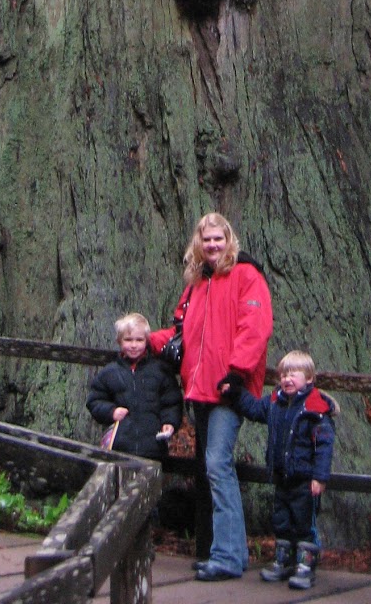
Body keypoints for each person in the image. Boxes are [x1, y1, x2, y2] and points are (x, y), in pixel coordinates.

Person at [151, 212, 272, 581]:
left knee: (218, 466)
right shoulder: (196, 284)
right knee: (213, 468)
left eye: (219, 239)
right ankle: (232, 552)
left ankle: (227, 556)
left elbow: (255, 327)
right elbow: (180, 331)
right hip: (200, 389)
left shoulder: (246, 276)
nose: (213, 245)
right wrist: (141, 340)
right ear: (198, 244)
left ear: (229, 239)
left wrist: (236, 373)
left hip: (227, 390)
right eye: (207, 240)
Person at [223, 349, 336, 591]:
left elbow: (324, 447)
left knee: (304, 522)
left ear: (309, 379)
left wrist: (320, 477)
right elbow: (254, 409)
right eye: (284, 374)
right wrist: (235, 392)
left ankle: (305, 565)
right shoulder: (276, 402)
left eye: (294, 374)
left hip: (305, 478)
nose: (287, 379)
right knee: (282, 520)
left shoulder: (315, 410)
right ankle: (283, 559)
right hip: (281, 476)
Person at [86, 311, 183, 461]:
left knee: (150, 481)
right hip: (120, 446)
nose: (133, 345)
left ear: (147, 341)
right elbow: (94, 401)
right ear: (119, 341)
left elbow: (172, 402)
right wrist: (111, 412)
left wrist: (169, 423)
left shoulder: (160, 370)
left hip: (153, 445)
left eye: (139, 340)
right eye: (128, 340)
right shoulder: (110, 372)